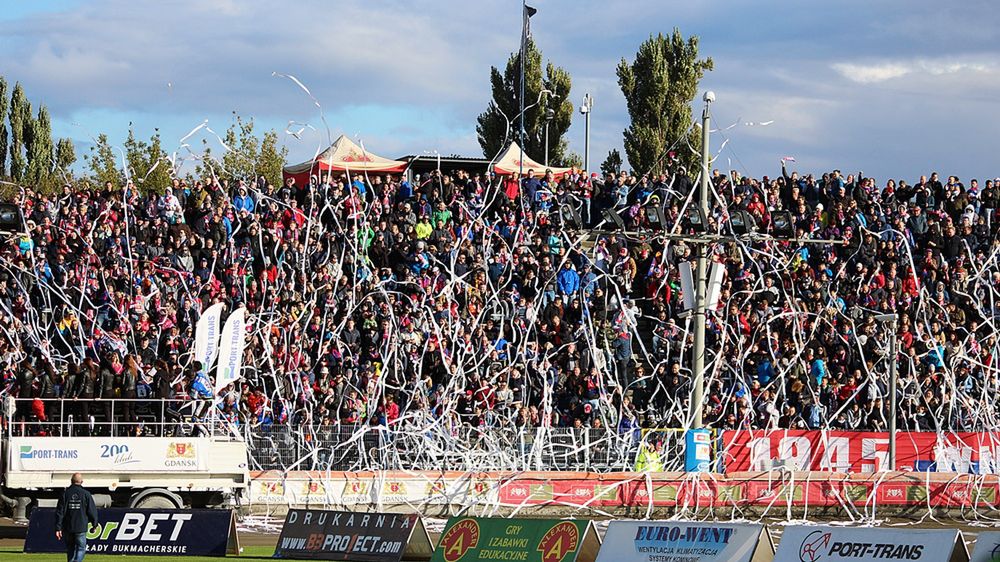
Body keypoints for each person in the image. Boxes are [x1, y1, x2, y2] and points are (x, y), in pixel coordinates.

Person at [54, 472, 98, 562]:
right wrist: (94, 524)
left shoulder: (65, 494)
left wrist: (58, 528)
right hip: (81, 527)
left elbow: (60, 512)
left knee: (70, 549)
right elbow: (92, 511)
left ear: (71, 481)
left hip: (68, 527)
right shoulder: (86, 494)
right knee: (81, 548)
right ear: (82, 481)